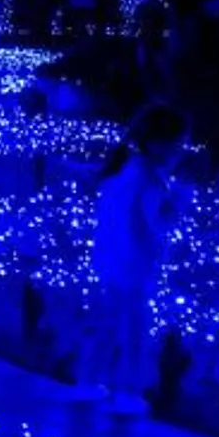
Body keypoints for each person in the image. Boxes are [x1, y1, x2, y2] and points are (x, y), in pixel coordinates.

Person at [86, 104, 189, 413]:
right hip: (135, 266)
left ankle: (90, 382)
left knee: (108, 324)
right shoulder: (149, 179)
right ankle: (128, 392)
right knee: (134, 329)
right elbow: (160, 222)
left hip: (111, 261)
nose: (182, 150)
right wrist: (181, 197)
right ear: (160, 143)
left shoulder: (125, 171)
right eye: (179, 143)